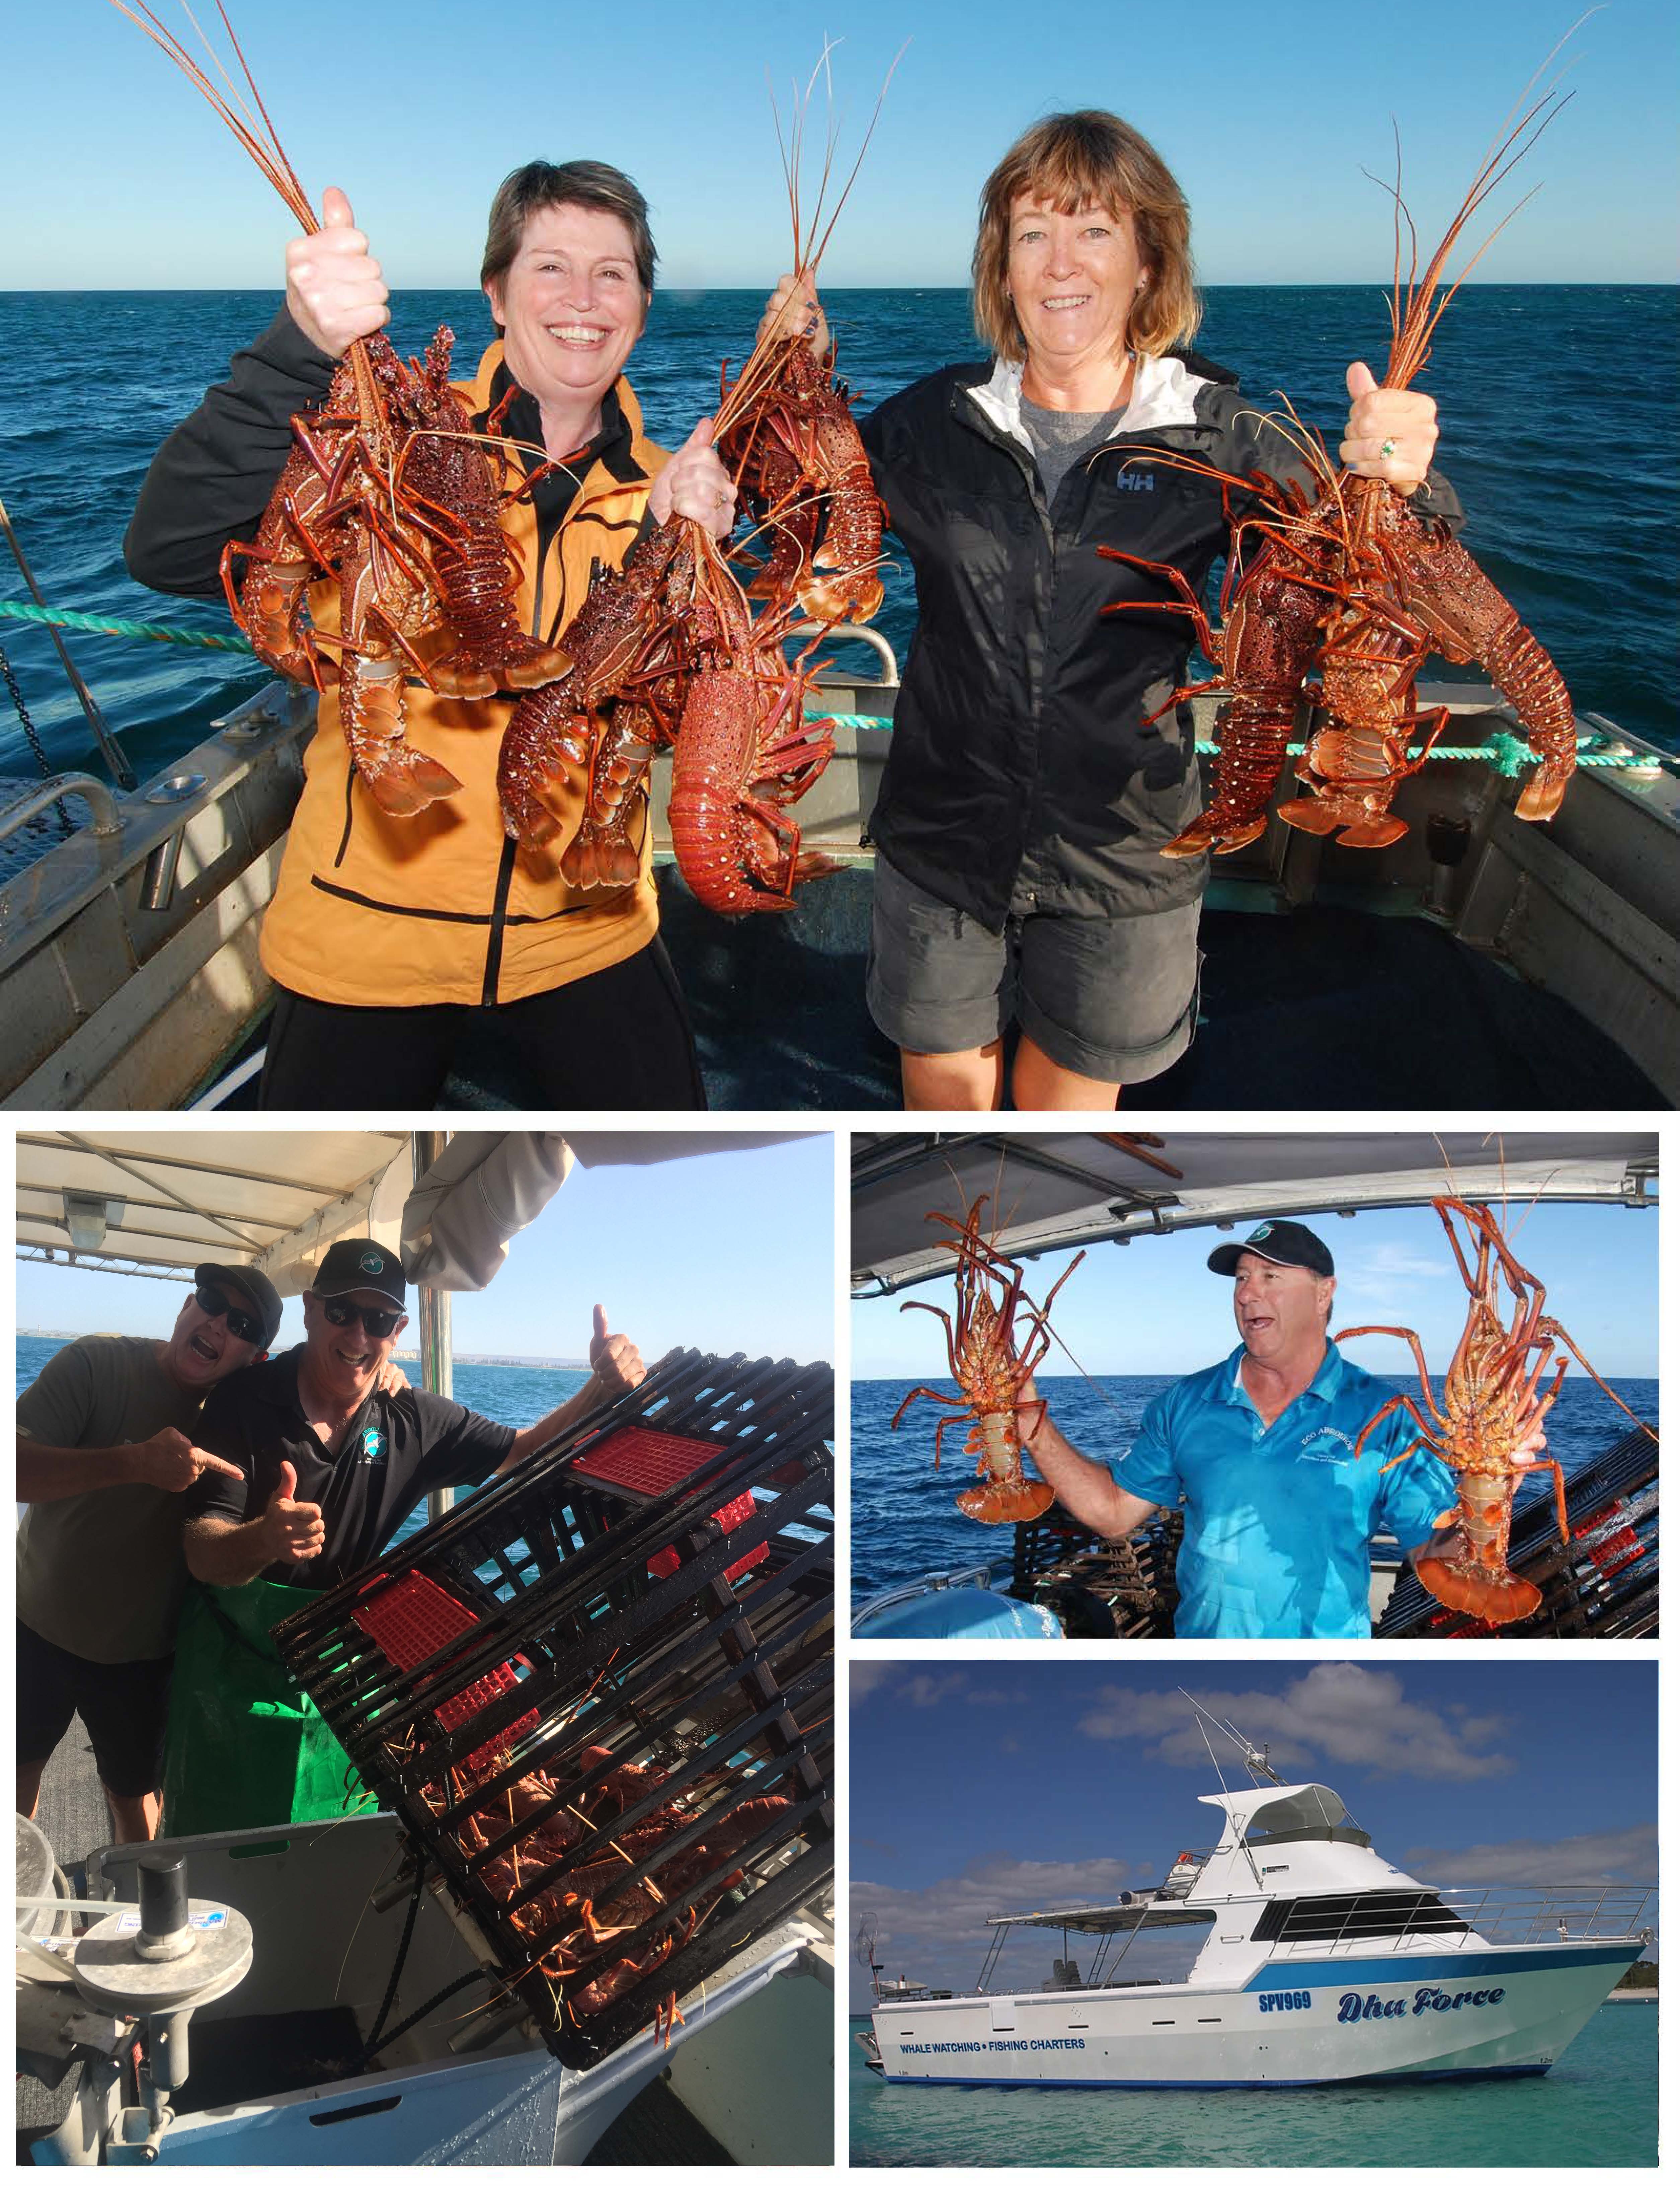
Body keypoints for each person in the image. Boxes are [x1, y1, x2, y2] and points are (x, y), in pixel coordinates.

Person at [761, 110, 1462, 1111]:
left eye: (1094, 231)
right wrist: (787, 388)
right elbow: (783, 515)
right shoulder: (926, 422)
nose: (1059, 265)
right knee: (946, 1119)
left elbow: (1388, 568)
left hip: (1128, 851)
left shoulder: (1223, 435)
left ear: (1147, 263)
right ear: (999, 265)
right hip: (942, 842)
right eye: (1031, 233)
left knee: (1066, 1124)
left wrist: (1403, 477)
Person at [126, 162, 739, 1110]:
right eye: (550, 268)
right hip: (369, 929)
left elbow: (683, 711)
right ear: (495, 293)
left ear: (643, 307)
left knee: (675, 1148)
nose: (582, 299)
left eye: (611, 274)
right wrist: (299, 348)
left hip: (584, 921)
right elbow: (167, 549)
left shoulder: (673, 484)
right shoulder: (390, 440)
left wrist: (682, 550)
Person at [1017, 1220, 1543, 1638]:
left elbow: (1433, 1554)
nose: (1248, 1294)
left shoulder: (1386, 1413)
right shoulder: (1185, 1402)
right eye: (1242, 1279)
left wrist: (1494, 1494)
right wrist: (1033, 1426)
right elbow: (1112, 1513)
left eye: (1271, 1277)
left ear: (1323, 1294)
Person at [180, 1238, 646, 1588]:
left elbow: (524, 1451)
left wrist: (599, 1389)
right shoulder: (241, 1399)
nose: (359, 1336)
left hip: (328, 1655)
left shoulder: (416, 1420)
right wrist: (263, 1540)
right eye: (342, 1312)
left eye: (379, 1321)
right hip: (228, 1664)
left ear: (399, 1330)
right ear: (310, 1311)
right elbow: (200, 1551)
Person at [15, 1264, 281, 1842]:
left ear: (255, 1359)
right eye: (211, 1302)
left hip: (140, 1660)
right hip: (33, 1626)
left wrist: (386, 1368)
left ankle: (144, 1924)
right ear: (187, 1305)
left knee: (133, 1799)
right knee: (15, 1775)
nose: (218, 1322)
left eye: (241, 1324)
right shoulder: (96, 1364)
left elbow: (331, 1364)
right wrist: (130, 1463)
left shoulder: (240, 1421)